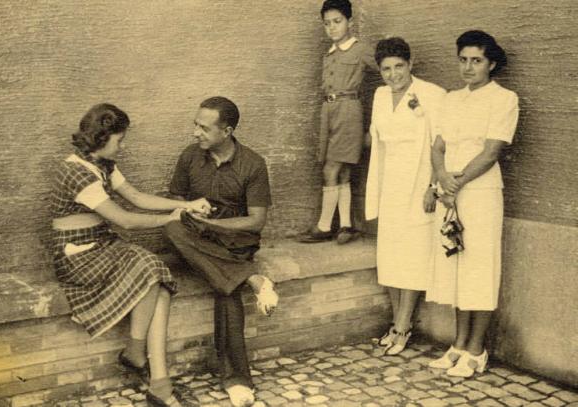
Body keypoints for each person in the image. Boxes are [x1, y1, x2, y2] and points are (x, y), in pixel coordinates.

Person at [51, 103, 211, 407]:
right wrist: (172, 218)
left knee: (158, 284)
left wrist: (188, 205)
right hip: (77, 257)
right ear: (102, 138)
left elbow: (137, 198)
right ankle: (136, 355)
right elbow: (124, 219)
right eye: (119, 140)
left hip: (102, 245)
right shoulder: (76, 171)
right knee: (150, 267)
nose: (121, 146)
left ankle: (159, 385)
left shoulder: (102, 164)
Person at [163, 97, 278, 407]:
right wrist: (188, 211)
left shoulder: (252, 163)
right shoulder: (190, 157)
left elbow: (256, 220)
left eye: (203, 127)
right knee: (173, 229)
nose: (195, 132)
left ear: (226, 131)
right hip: (199, 239)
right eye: (195, 124)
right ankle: (251, 279)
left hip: (234, 243)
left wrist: (217, 225)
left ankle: (238, 381)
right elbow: (175, 200)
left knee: (226, 290)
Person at [426, 30, 519, 378]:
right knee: (456, 265)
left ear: (491, 63)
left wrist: (457, 181)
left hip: (480, 192)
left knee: (479, 267)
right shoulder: (451, 99)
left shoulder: (504, 99)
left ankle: (477, 350)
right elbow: (438, 147)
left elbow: (491, 151)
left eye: (476, 61)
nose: (468, 67)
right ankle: (458, 344)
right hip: (449, 192)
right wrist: (441, 180)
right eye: (463, 60)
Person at [365, 38, 446, 355]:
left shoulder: (431, 95)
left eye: (399, 66)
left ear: (410, 64)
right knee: (390, 257)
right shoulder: (380, 95)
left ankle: (403, 326)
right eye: (386, 68)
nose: (393, 74)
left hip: (419, 183)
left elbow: (441, 144)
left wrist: (433, 187)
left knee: (411, 256)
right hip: (390, 185)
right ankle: (397, 323)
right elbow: (379, 145)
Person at [298, 0, 379, 244]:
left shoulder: (361, 49)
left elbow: (386, 70)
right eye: (327, 23)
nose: (332, 28)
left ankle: (324, 226)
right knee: (342, 170)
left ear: (349, 22)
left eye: (337, 21)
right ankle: (345, 225)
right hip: (329, 111)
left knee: (330, 169)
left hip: (348, 111)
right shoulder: (330, 55)